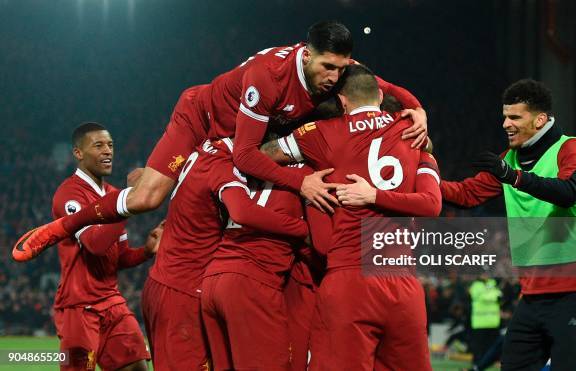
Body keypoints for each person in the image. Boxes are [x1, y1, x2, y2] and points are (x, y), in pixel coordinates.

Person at [13, 20, 427, 262]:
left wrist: (418, 110)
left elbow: (386, 89)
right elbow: (247, 156)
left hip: (243, 136)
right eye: (326, 67)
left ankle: (162, 172)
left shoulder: (340, 68)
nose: (333, 78)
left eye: (340, 69)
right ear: (305, 54)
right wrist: (301, 183)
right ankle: (60, 226)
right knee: (145, 201)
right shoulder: (268, 76)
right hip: (203, 119)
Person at [261, 64, 441, 370]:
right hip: (403, 284)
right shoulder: (411, 131)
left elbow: (264, 154)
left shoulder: (322, 133)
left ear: (342, 101)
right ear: (381, 95)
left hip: (350, 278)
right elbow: (431, 204)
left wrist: (303, 178)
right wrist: (417, 108)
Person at [440, 79, 576, 370]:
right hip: (532, 294)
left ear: (540, 119)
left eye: (515, 116)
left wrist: (513, 177)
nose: (505, 123)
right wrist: (420, 173)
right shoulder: (509, 160)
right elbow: (465, 194)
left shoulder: (571, 148)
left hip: (575, 291)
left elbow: (569, 193)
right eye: (504, 116)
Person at [141, 137, 310, 371]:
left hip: (186, 280)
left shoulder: (206, 149)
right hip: (187, 288)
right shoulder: (224, 163)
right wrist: (302, 228)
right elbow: (241, 211)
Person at [50, 122, 162, 371]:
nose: (107, 151)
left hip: (112, 304)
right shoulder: (69, 195)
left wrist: (145, 251)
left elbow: (120, 258)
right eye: (98, 145)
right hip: (80, 308)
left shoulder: (113, 194)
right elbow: (94, 245)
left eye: (110, 145)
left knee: (137, 368)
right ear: (78, 153)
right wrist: (128, 202)